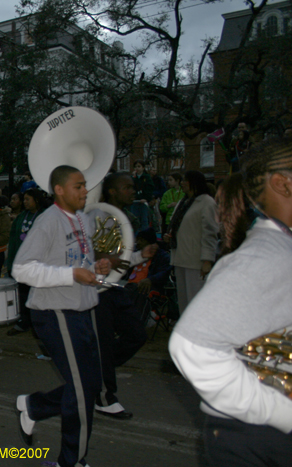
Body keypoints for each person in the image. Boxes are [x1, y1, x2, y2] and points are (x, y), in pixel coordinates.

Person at [169, 136, 292, 466]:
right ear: (282, 184)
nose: (180, 184)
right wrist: (282, 412)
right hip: (255, 432)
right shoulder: (263, 257)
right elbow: (191, 345)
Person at [12, 165, 111, 467]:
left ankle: (34, 406)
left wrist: (97, 268)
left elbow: (81, 261)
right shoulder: (48, 222)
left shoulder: (81, 219)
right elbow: (21, 268)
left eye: (84, 186)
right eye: (78, 186)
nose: (84, 191)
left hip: (81, 309)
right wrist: (72, 275)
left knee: (89, 385)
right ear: (59, 190)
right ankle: (73, 462)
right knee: (82, 393)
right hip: (56, 313)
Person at [91, 173, 156, 420]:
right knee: (105, 343)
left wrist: (141, 255)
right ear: (112, 192)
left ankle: (96, 368)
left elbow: (122, 256)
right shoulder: (96, 215)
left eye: (133, 186)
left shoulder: (124, 218)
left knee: (137, 335)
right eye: (126, 187)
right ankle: (105, 398)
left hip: (116, 287)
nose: (132, 191)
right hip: (97, 290)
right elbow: (90, 252)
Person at [164, 170, 218, 313]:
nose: (182, 183)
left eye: (185, 180)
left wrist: (207, 260)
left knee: (196, 303)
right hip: (180, 258)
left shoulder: (207, 202)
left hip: (196, 261)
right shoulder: (184, 201)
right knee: (184, 304)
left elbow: (210, 233)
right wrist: (170, 236)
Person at [5, 188, 45, 336]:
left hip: (39, 264)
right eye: (25, 199)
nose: (25, 202)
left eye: (28, 199)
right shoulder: (21, 217)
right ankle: (23, 321)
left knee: (36, 294)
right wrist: (11, 263)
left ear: (37, 200)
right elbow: (14, 240)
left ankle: (38, 323)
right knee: (22, 294)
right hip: (22, 264)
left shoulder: (44, 216)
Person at [130, 160, 154, 233]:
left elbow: (149, 189)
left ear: (143, 168)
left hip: (143, 201)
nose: (137, 168)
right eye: (136, 167)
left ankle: (144, 235)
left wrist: (146, 198)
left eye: (139, 166)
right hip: (135, 201)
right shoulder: (133, 178)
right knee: (135, 220)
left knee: (144, 219)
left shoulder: (147, 177)